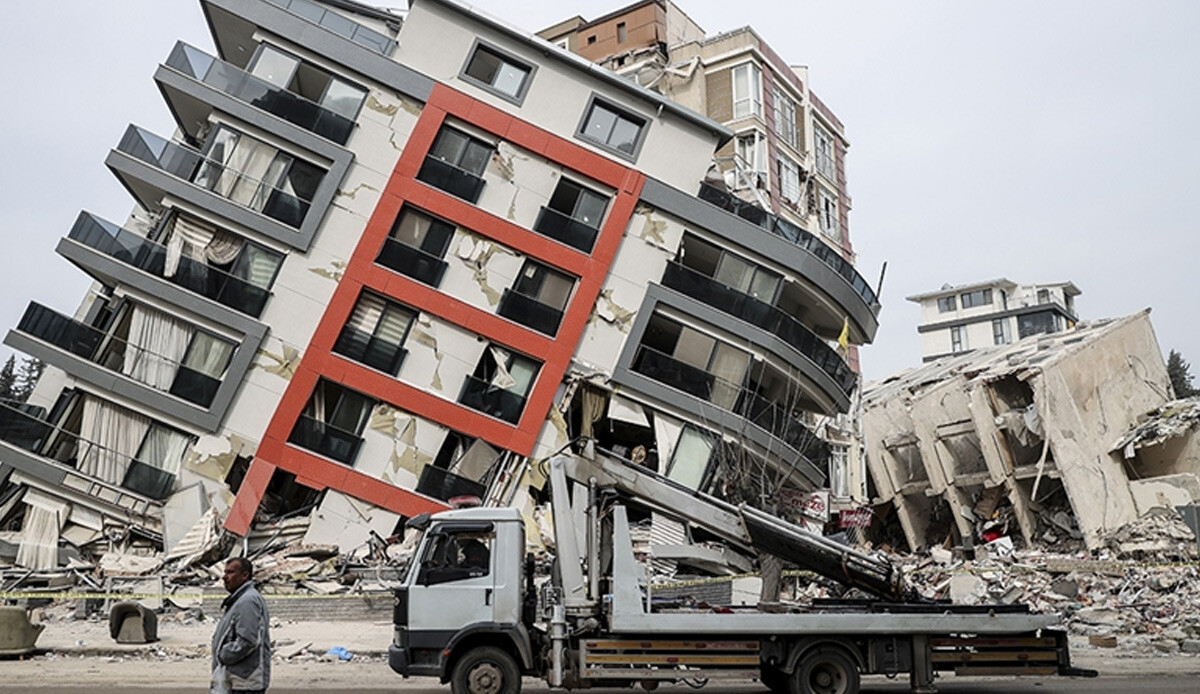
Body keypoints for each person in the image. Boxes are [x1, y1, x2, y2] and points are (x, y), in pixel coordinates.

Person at [212, 557, 272, 694]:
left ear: (245, 575)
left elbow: (247, 641)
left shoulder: (247, 601)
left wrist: (223, 655)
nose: (224, 577)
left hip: (245, 682)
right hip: (238, 680)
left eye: (230, 572)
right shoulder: (239, 600)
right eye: (225, 572)